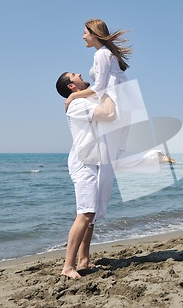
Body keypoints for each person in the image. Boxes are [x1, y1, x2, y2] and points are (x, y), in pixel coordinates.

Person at [56, 71, 117, 279]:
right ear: (71, 86)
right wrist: (106, 89)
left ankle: (83, 260)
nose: (80, 73)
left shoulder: (82, 99)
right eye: (75, 75)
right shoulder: (77, 105)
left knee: (91, 217)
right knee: (85, 213)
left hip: (95, 160)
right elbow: (109, 114)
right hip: (84, 163)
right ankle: (67, 267)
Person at [64, 18, 132, 111]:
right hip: (115, 104)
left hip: (114, 106)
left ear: (94, 34)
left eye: (85, 33)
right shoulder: (103, 53)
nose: (83, 37)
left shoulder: (102, 53)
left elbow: (99, 88)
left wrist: (72, 95)